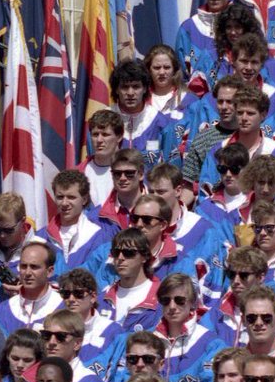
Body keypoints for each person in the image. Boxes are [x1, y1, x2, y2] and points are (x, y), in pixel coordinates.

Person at [146, 163, 229, 304]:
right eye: (151, 192)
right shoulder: (142, 226)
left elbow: (212, 284)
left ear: (178, 190)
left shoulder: (203, 230)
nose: (154, 198)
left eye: (161, 192)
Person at [198, 87, 275, 192]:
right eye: (240, 113)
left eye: (250, 113)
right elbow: (206, 194)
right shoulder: (218, 151)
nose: (244, 118)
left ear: (263, 115)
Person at [153, 272, 226, 382]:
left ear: (193, 303)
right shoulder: (150, 341)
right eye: (166, 300)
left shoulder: (211, 344)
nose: (172, 306)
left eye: (179, 300)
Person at [34, 169, 119, 272]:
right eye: (60, 197)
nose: (64, 203)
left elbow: (102, 279)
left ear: (84, 199)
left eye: (71, 197)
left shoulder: (98, 237)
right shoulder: (40, 237)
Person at [55, 267, 124, 378]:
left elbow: (120, 375)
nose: (71, 299)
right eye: (66, 294)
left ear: (93, 297)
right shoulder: (53, 331)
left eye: (78, 293)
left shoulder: (113, 331)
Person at [176, 0, 236, 89]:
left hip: (232, 96)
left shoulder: (240, 25)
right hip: (197, 98)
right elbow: (180, 68)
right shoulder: (188, 27)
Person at [178, 74, 243, 183]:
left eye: (230, 102)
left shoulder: (251, 137)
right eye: (220, 101)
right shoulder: (202, 139)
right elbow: (188, 184)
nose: (224, 107)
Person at [0, 242, 62, 334]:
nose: (27, 273)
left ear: (49, 271)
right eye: (23, 266)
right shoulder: (1, 312)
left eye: (34, 267)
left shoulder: (65, 307)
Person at [94, 227, 161, 331]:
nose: (120, 258)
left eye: (128, 253)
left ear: (144, 257)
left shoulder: (161, 299)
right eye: (116, 252)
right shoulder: (102, 299)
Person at [203, 246, 270, 346]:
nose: (236, 281)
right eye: (232, 274)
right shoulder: (216, 313)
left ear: (260, 277)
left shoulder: (271, 313)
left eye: (244, 275)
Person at [108, 59, 170, 166]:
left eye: (136, 87)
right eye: (124, 87)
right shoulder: (103, 121)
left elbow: (171, 170)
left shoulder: (160, 122)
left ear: (145, 88)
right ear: (116, 90)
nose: (130, 93)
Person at [0, 192, 33, 303]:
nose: (2, 235)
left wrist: (28, 293)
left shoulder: (42, 251)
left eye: (8, 230)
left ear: (23, 221)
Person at [195, 142, 251, 238]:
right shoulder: (205, 208)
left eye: (234, 169)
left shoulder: (254, 203)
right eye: (223, 169)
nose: (228, 174)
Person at [78, 109, 126, 205]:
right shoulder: (78, 173)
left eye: (105, 134)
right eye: (95, 134)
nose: (99, 140)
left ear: (119, 137)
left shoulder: (132, 173)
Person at [95, 147, 146, 229]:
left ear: (141, 174)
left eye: (129, 173)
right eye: (117, 173)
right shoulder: (97, 218)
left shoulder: (159, 210)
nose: (122, 178)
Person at [145, 43, 199, 117]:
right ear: (149, 70)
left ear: (174, 69)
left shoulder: (189, 99)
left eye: (167, 67)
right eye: (157, 68)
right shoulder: (141, 100)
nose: (162, 72)